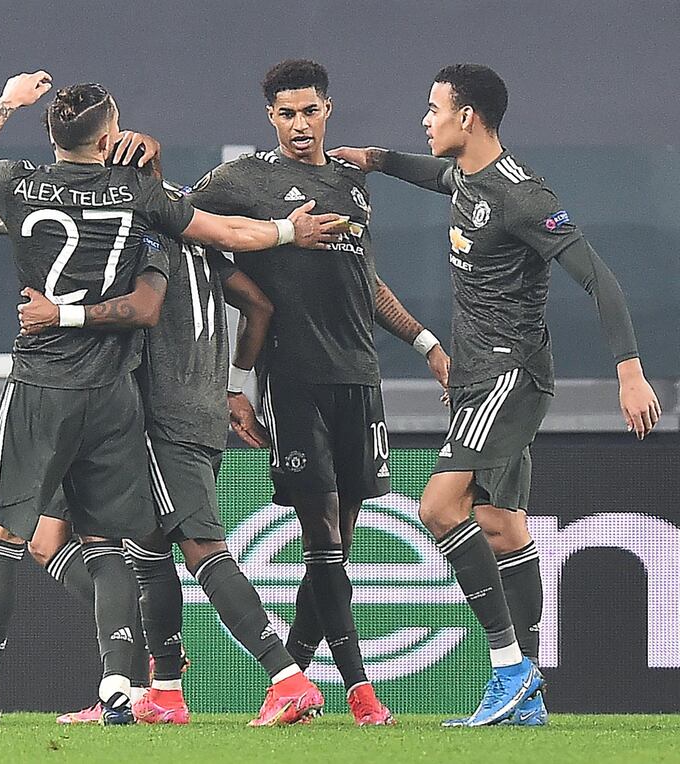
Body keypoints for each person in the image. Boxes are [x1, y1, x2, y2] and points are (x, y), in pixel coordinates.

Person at [0, 71, 342, 727]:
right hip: (133, 396)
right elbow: (231, 241)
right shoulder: (151, 204)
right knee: (113, 544)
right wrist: (287, 234)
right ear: (115, 140)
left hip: (92, 389)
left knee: (45, 537)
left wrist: (5, 105)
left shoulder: (39, 187)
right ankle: (142, 690)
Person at [113, 59, 450, 725]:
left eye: (310, 111)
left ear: (328, 110)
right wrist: (238, 383)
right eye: (287, 113)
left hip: (361, 382)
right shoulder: (244, 180)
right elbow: (173, 212)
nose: (300, 124)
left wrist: (428, 344)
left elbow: (367, 282)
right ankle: (355, 691)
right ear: (271, 117)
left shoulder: (350, 183)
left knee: (336, 549)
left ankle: (295, 682)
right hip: (291, 384)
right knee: (321, 536)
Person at [330, 63, 662, 726]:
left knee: (438, 507)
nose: (425, 120)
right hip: (479, 377)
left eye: (433, 108)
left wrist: (629, 369)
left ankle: (511, 667)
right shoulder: (466, 177)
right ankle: (524, 698)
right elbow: (437, 174)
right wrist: (375, 159)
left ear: (467, 117)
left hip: (510, 377)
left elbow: (598, 277)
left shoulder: (523, 196)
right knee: (504, 528)